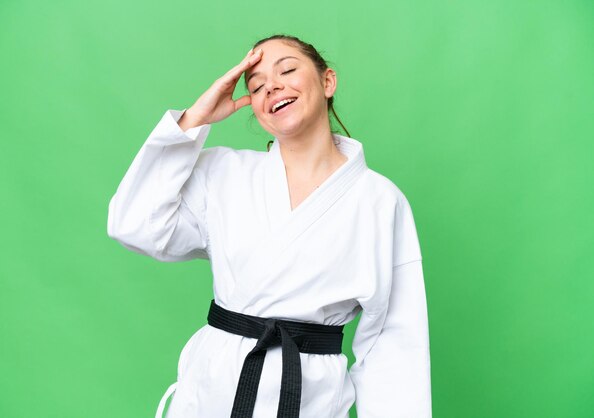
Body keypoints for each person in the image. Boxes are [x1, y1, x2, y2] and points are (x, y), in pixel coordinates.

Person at [107, 34, 432, 418]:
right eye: (256, 86)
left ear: (328, 82)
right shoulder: (223, 173)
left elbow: (392, 343)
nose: (272, 86)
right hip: (214, 392)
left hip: (309, 399)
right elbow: (134, 224)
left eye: (288, 70)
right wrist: (193, 119)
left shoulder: (380, 200)